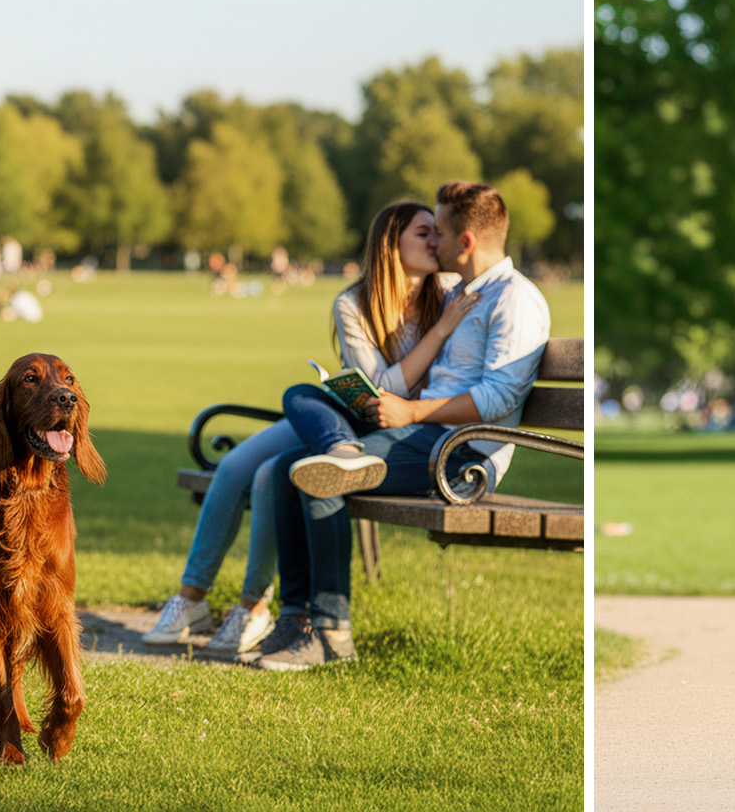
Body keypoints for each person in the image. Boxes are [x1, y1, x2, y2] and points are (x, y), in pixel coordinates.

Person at [141, 201, 477, 654]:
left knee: (267, 474)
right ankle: (190, 600)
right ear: (390, 244)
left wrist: (438, 330)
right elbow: (377, 391)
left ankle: (252, 608)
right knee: (238, 461)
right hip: (346, 421)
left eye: (438, 232)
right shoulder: (354, 303)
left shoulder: (451, 293)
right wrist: (436, 336)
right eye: (424, 233)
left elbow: (405, 395)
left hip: (401, 430)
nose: (437, 241)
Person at [256, 180, 551, 670]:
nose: (433, 241)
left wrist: (412, 411)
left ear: (466, 242)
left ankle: (332, 636)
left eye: (438, 232)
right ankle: (296, 617)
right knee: (298, 470)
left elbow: (500, 398)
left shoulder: (513, 299)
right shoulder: (463, 293)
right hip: (426, 438)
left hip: (463, 454)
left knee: (321, 478)